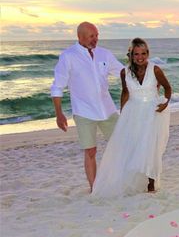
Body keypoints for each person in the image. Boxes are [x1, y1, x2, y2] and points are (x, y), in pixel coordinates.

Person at [91, 37, 171, 197]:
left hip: (152, 111)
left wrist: (165, 103)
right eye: (136, 54)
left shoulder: (155, 70)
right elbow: (125, 92)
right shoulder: (124, 72)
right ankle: (134, 178)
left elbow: (168, 88)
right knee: (133, 145)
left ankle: (150, 183)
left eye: (143, 53)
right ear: (131, 55)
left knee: (149, 146)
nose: (140, 57)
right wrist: (122, 113)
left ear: (147, 54)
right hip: (132, 111)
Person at [51, 22, 124, 192]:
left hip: (107, 109)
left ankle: (120, 180)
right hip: (84, 112)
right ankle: (95, 189)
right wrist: (59, 114)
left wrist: (146, 76)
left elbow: (123, 72)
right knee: (90, 151)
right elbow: (57, 86)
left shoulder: (104, 54)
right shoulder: (68, 56)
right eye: (92, 36)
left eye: (97, 35)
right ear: (80, 37)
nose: (95, 39)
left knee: (121, 144)